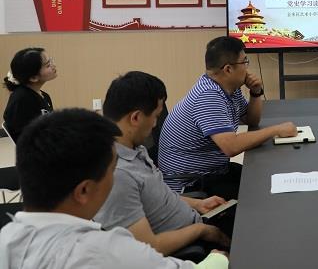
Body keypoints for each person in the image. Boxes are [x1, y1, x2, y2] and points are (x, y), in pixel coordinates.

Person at [0, 108, 228, 269]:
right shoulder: (108, 253)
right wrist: (218, 259)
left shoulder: (7, 239)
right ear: (84, 191)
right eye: (112, 169)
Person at [95, 71, 231, 256]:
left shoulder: (134, 148)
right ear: (135, 118)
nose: (154, 124)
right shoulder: (119, 175)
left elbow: (155, 195)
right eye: (155, 116)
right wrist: (201, 230)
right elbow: (149, 247)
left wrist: (198, 204)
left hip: (194, 223)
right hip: (188, 249)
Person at [158, 36, 297, 199]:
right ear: (228, 69)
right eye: (244, 62)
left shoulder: (229, 88)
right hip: (191, 184)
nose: (247, 67)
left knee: (263, 177)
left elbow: (251, 120)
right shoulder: (208, 96)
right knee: (261, 195)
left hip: (213, 171)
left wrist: (256, 92)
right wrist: (276, 130)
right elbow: (231, 146)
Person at [3, 47, 56, 142]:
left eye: (51, 61)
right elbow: (25, 138)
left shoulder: (44, 96)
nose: (53, 66)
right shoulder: (21, 100)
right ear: (33, 78)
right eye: (48, 65)